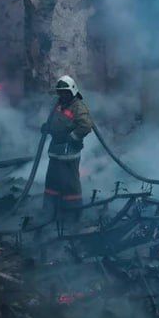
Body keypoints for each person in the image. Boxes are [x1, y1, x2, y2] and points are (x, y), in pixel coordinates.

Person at [40, 75, 93, 224]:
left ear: (72, 91)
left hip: (68, 154)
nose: (63, 95)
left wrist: (73, 137)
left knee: (70, 186)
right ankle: (51, 211)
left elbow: (86, 126)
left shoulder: (78, 107)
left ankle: (73, 216)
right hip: (55, 152)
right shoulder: (58, 104)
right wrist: (48, 127)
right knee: (52, 184)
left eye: (65, 92)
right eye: (60, 92)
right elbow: (55, 121)